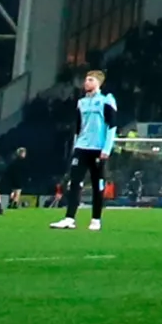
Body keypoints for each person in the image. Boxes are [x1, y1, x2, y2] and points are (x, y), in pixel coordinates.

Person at [50, 71, 119, 232]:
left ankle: (96, 219)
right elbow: (79, 127)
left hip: (98, 148)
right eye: (86, 80)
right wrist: (75, 146)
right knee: (74, 182)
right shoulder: (81, 103)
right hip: (82, 147)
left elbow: (112, 125)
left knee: (97, 184)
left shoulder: (106, 101)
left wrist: (106, 148)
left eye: (90, 80)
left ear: (99, 83)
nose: (86, 82)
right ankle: (69, 218)